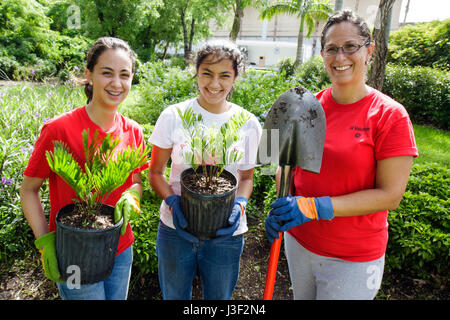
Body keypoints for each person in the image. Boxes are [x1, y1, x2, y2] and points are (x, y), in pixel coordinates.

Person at [265, 9, 418, 300]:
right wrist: (282, 206)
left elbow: (390, 195)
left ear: (369, 50)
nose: (340, 57)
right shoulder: (307, 108)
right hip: (300, 243)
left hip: (353, 258)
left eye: (350, 47)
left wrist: (313, 208)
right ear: (322, 54)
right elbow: (287, 169)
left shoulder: (389, 116)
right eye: (332, 49)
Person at [20, 37, 149, 300]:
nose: (117, 83)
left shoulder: (133, 130)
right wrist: (45, 242)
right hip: (75, 254)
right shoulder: (59, 129)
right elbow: (29, 190)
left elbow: (135, 180)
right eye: (107, 73)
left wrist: (133, 195)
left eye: (125, 75)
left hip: (121, 249)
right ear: (88, 75)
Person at [148, 40, 262, 300]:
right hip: (175, 231)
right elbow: (155, 173)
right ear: (196, 72)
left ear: (235, 78)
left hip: (226, 233)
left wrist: (239, 205)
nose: (214, 84)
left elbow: (246, 178)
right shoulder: (173, 116)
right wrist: (172, 202)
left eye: (225, 76)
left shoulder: (248, 123)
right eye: (207, 73)